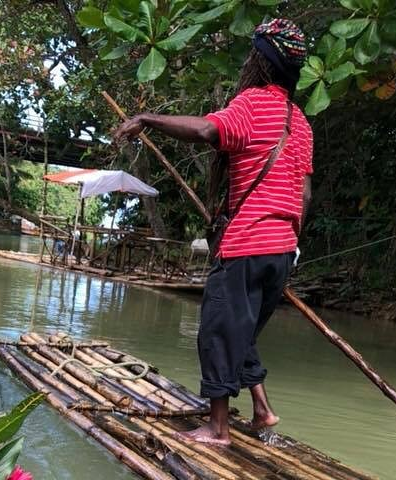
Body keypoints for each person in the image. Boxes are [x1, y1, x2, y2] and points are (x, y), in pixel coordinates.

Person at [114, 19, 313, 446]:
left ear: (261, 62)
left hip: (247, 245)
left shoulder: (252, 103)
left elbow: (206, 130)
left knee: (219, 330)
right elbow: (304, 194)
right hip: (282, 250)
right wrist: (290, 244)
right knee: (243, 330)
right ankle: (262, 409)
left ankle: (218, 428)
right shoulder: (300, 122)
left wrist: (147, 118)